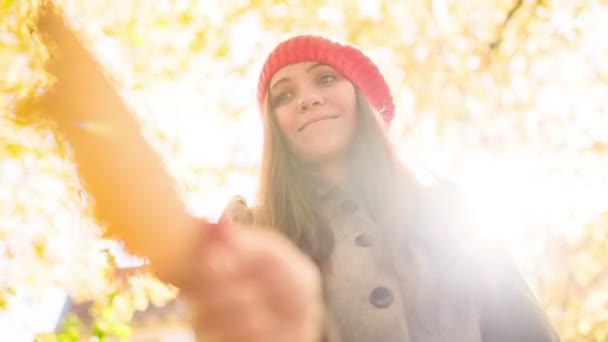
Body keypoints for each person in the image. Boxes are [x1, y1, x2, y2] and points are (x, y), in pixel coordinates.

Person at [29, 3, 559, 341]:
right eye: (283, 96)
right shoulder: (251, 234)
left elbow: (524, 330)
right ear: (273, 127)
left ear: (363, 102)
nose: (306, 100)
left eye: (325, 79)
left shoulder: (448, 213)